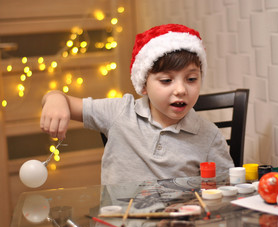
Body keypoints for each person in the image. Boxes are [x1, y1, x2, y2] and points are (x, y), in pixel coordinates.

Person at [40, 24, 234, 184]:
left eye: (191, 79)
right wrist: (55, 98)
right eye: (167, 80)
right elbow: (63, 101)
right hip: (119, 226)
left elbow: (226, 189)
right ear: (143, 85)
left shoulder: (209, 136)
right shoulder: (120, 112)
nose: (181, 90)